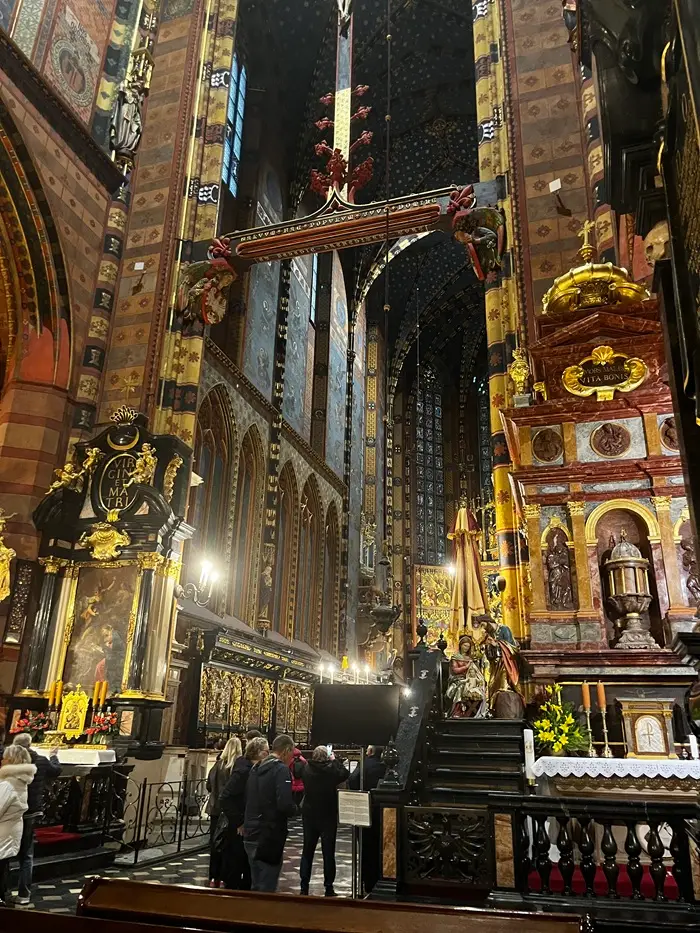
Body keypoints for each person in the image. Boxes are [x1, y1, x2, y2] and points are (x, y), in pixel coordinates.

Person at [243, 734, 296, 892]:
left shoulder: (255, 768)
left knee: (256, 883)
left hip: (251, 830)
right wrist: (296, 809)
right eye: (292, 753)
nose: (292, 757)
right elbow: (284, 803)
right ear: (286, 751)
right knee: (267, 886)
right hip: (269, 834)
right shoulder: (281, 770)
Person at [12, 733, 61, 905]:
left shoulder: (11, 761)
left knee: (5, 853)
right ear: (30, 744)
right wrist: (54, 756)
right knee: (26, 854)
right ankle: (23, 894)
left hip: (12, 811)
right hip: (32, 810)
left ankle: (2, 893)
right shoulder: (40, 760)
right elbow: (56, 771)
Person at [296, 746, 349, 897]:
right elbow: (345, 774)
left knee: (307, 851)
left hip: (310, 814)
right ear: (327, 757)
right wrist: (335, 760)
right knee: (328, 852)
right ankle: (329, 887)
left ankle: (304, 886)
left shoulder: (306, 769)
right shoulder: (331, 771)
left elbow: (297, 770)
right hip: (328, 815)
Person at [219, 736, 268, 890]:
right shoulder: (243, 771)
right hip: (239, 828)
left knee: (247, 866)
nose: (268, 754)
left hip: (249, 824)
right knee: (236, 865)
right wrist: (239, 821)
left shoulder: (252, 769)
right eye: (267, 751)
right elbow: (225, 797)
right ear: (260, 753)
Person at [0, 744, 35, 906]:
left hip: (3, 832)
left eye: (5, 757)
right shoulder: (20, 781)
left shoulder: (8, 784)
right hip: (9, 831)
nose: (2, 760)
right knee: (2, 866)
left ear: (12, 760)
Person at [349, 747, 386, 894]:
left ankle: (366, 881)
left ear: (369, 752)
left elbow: (352, 780)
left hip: (364, 809)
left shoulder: (364, 764)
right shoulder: (384, 766)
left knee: (365, 848)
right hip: (381, 811)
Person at [206, 737, 241, 887]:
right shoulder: (234, 769)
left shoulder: (216, 765)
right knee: (227, 845)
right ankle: (225, 876)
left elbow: (208, 785)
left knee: (215, 843)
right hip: (227, 811)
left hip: (214, 809)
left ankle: (214, 876)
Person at [445, 633, 488, 718]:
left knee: (480, 688)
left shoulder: (470, 659)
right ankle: (457, 711)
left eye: (468, 646)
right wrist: (466, 667)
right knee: (461, 687)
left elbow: (475, 671)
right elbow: (455, 670)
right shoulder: (455, 657)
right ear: (461, 645)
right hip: (457, 679)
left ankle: (476, 712)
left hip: (470, 679)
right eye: (465, 646)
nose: (466, 648)